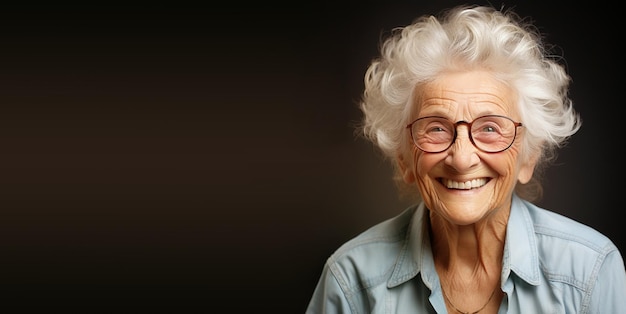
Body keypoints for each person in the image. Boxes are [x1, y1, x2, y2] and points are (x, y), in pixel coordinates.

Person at [306, 4, 626, 313]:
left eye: (489, 127)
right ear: (404, 159)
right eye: (436, 128)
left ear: (528, 157)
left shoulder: (589, 272)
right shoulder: (351, 280)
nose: (461, 159)